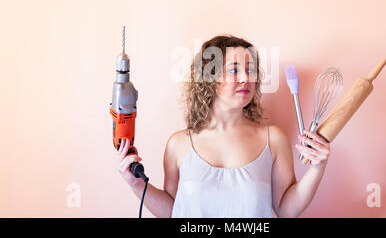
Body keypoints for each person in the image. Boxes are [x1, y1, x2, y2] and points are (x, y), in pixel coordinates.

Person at [116, 34, 330, 217]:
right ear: (209, 78)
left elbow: (286, 210)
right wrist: (136, 184)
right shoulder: (178, 144)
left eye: (250, 70)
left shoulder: (273, 139)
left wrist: (317, 168)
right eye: (235, 70)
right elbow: (174, 211)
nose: (246, 77)